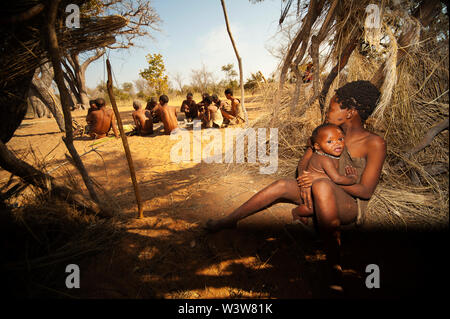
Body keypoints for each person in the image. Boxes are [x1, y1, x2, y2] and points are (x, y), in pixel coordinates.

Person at [205, 80, 386, 292]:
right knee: (283, 184)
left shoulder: (374, 143)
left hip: (349, 204)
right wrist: (305, 185)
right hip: (318, 191)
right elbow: (303, 164)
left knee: (322, 187)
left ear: (350, 112)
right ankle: (230, 220)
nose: (327, 110)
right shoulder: (327, 133)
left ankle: (334, 265)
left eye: (332, 107)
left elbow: (365, 191)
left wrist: (324, 182)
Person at [291, 123, 357, 223]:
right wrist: (352, 178)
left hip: (320, 191)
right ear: (317, 146)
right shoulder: (325, 159)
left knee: (319, 208)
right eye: (330, 141)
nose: (337, 143)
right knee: (311, 208)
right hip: (315, 191)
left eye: (340, 139)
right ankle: (296, 213)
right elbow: (337, 179)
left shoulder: (329, 155)